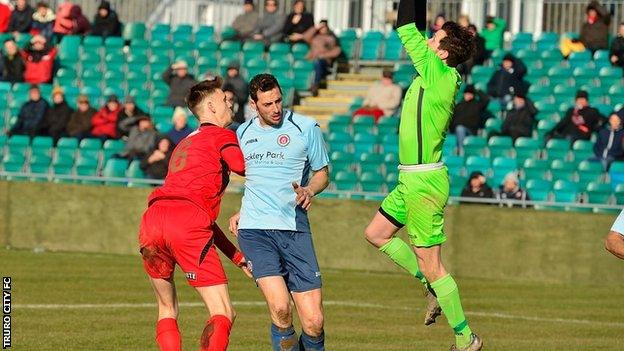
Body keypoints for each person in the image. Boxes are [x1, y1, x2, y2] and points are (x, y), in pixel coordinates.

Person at [363, 0, 482, 350]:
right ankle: (429, 285)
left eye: (434, 38)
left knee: (433, 263)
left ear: (443, 53)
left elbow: (404, 26)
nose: (428, 40)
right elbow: (413, 24)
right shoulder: (437, 72)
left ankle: (465, 338)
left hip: (424, 182)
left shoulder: (438, 73)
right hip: (410, 180)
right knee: (376, 233)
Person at [138, 77, 249, 351]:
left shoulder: (185, 143)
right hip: (185, 222)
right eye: (225, 100)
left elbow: (201, 217)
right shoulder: (222, 135)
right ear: (211, 106)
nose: (229, 102)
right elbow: (243, 167)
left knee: (166, 307)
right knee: (223, 312)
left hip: (153, 219)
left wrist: (237, 257)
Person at [228, 74, 330, 351]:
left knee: (314, 321)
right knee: (281, 308)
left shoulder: (306, 127)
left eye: (278, 101)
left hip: (294, 228)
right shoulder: (243, 132)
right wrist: (241, 210)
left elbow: (322, 173)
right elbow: (257, 179)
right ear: (253, 104)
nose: (275, 108)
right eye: (267, 103)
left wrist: (309, 190)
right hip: (255, 231)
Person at [303, 20, 341, 93]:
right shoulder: (314, 37)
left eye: (324, 27)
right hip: (311, 59)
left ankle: (315, 85)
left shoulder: (331, 39)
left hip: (323, 61)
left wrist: (323, 56)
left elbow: (337, 50)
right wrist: (316, 28)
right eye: (321, 27)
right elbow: (305, 37)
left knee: (317, 63)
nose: (322, 29)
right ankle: (306, 85)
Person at [450, 84, 490, 151]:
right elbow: (452, 119)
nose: (468, 95)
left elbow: (486, 100)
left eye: (470, 93)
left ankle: (461, 151)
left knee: (460, 129)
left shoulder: (477, 105)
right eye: (466, 93)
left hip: (471, 130)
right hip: (456, 129)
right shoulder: (459, 105)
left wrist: (477, 91)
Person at [222, 62, 248, 126]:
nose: (231, 71)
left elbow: (244, 97)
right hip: (225, 112)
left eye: (233, 69)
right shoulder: (225, 80)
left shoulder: (242, 82)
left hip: (238, 111)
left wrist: (234, 96)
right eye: (230, 69)